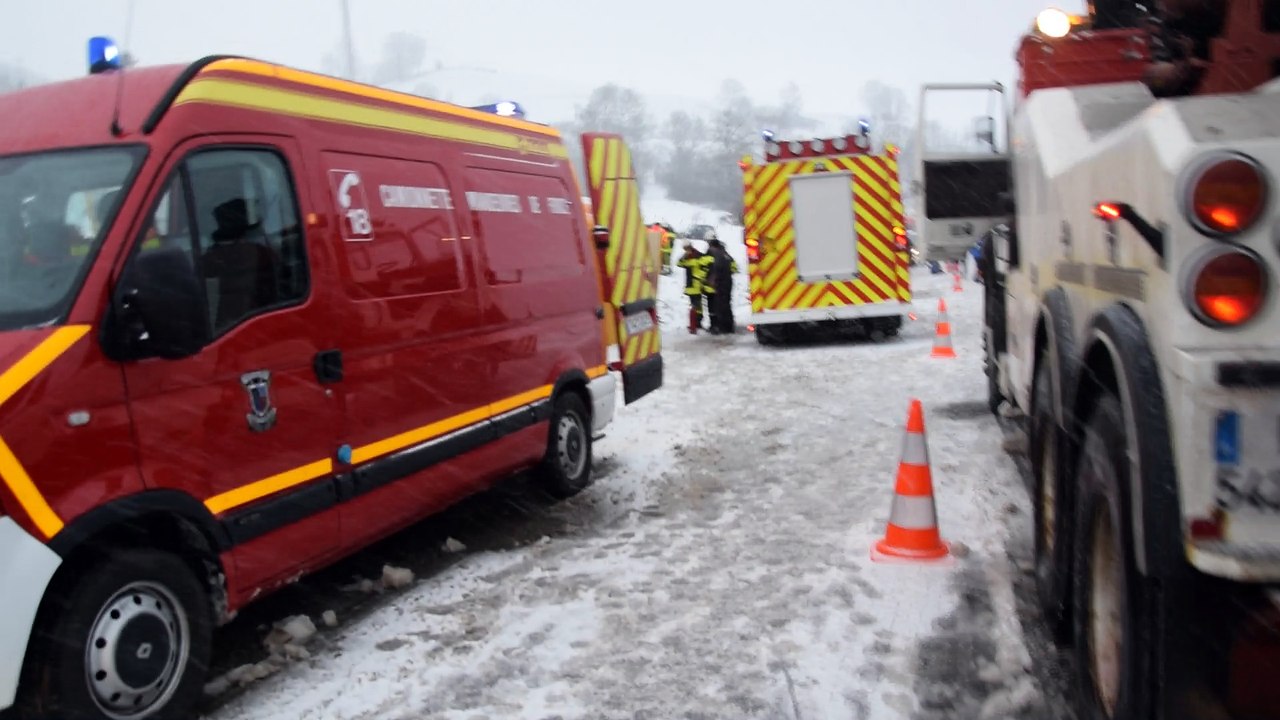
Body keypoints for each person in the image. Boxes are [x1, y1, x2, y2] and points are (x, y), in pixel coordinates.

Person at [706, 238, 739, 335]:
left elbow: (716, 269)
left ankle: (723, 328)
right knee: (727, 304)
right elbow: (733, 267)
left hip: (721, 283)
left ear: (713, 246)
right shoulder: (725, 254)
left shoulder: (718, 255)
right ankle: (729, 326)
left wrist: (712, 279)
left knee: (720, 305)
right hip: (728, 281)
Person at [675, 240, 706, 334]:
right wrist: (684, 256)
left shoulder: (698, 255)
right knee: (695, 304)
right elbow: (679, 264)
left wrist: (699, 277)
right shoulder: (687, 257)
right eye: (685, 249)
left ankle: (697, 323)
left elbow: (705, 268)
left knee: (697, 305)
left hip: (696, 284)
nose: (686, 250)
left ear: (690, 247)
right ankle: (695, 323)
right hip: (690, 285)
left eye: (686, 248)